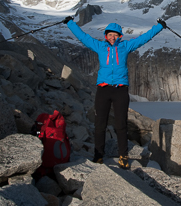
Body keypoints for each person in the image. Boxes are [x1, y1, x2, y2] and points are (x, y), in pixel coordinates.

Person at [63, 16, 167, 169]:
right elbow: (82, 36)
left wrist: (159, 27)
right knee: (100, 124)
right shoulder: (100, 46)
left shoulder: (126, 46)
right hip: (103, 89)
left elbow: (144, 38)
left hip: (120, 90)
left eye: (115, 35)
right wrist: (70, 23)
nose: (112, 37)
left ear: (120, 36)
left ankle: (123, 156)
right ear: (106, 36)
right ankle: (98, 156)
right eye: (110, 35)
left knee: (121, 125)